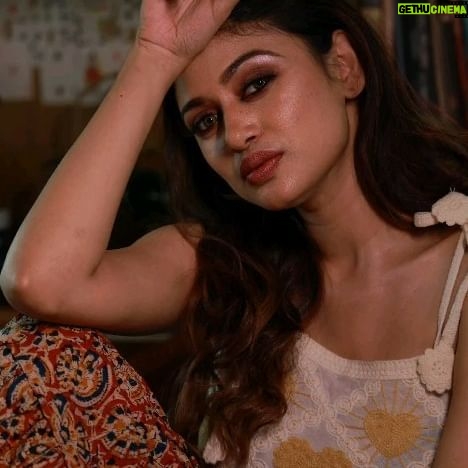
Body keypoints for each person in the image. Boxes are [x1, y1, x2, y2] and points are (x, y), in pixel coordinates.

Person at [1, 0, 467, 466]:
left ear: (344, 66)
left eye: (257, 83)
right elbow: (38, 281)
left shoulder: (459, 273)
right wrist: (154, 57)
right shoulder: (225, 263)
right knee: (36, 348)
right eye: (205, 121)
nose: (235, 134)